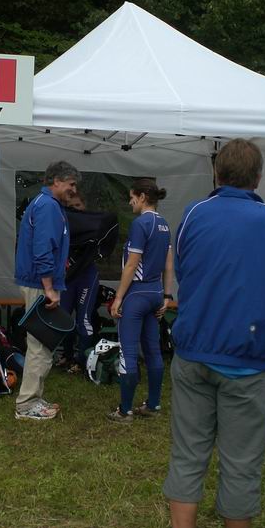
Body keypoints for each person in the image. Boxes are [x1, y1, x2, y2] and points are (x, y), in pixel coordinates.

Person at [163, 139, 265, 528]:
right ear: (258, 177)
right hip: (246, 360)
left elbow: (184, 271)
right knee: (241, 465)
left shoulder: (193, 214)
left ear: (216, 174)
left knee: (188, 455)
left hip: (194, 351)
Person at [13, 161, 80, 421]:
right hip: (39, 285)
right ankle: (27, 405)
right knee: (40, 346)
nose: (74, 190)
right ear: (56, 181)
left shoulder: (47, 204)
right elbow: (42, 249)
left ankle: (33, 399)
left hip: (38, 282)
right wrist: (49, 288)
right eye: (71, 184)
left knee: (41, 345)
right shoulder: (48, 206)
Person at [107, 179, 173, 422]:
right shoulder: (164, 224)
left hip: (137, 295)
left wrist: (118, 298)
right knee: (153, 351)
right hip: (155, 294)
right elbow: (169, 265)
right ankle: (153, 405)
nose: (130, 202)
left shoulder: (140, 224)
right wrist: (167, 295)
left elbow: (132, 265)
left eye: (132, 196)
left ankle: (124, 410)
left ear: (143, 197)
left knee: (129, 352)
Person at [58, 192, 101, 374]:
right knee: (63, 318)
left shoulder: (93, 225)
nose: (74, 210)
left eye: (77, 206)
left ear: (84, 207)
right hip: (68, 278)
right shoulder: (63, 224)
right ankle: (67, 356)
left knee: (83, 320)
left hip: (86, 277)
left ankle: (82, 361)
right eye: (71, 207)